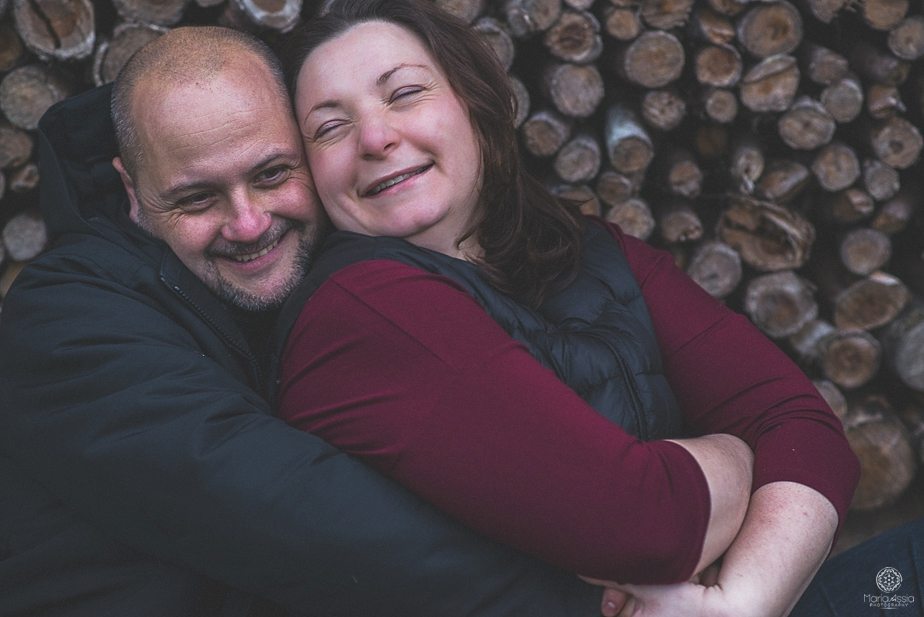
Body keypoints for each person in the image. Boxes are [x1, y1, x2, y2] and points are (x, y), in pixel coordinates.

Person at [0, 25, 623, 616]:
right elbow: (292, 513)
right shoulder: (65, 321)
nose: (248, 225)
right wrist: (593, 600)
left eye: (272, 175)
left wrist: (697, 479)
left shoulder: (359, 264)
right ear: (132, 191)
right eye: (197, 198)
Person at [269, 0, 861, 615]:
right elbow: (643, 524)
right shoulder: (357, 311)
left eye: (405, 93)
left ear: (473, 104)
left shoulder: (590, 251)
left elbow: (804, 428)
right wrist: (737, 455)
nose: (374, 136)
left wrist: (743, 601)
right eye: (330, 127)